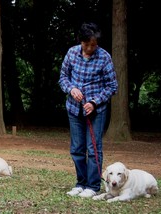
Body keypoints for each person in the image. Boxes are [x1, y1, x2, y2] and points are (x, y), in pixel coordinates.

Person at [59, 22, 118, 198]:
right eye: (87, 44)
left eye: (93, 44)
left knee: (93, 149)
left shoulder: (104, 57)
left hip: (96, 111)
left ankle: (93, 186)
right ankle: (81, 183)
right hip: (73, 109)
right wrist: (71, 89)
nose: (90, 48)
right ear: (81, 41)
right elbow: (63, 78)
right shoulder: (71, 53)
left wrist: (94, 101)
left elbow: (112, 86)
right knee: (77, 148)